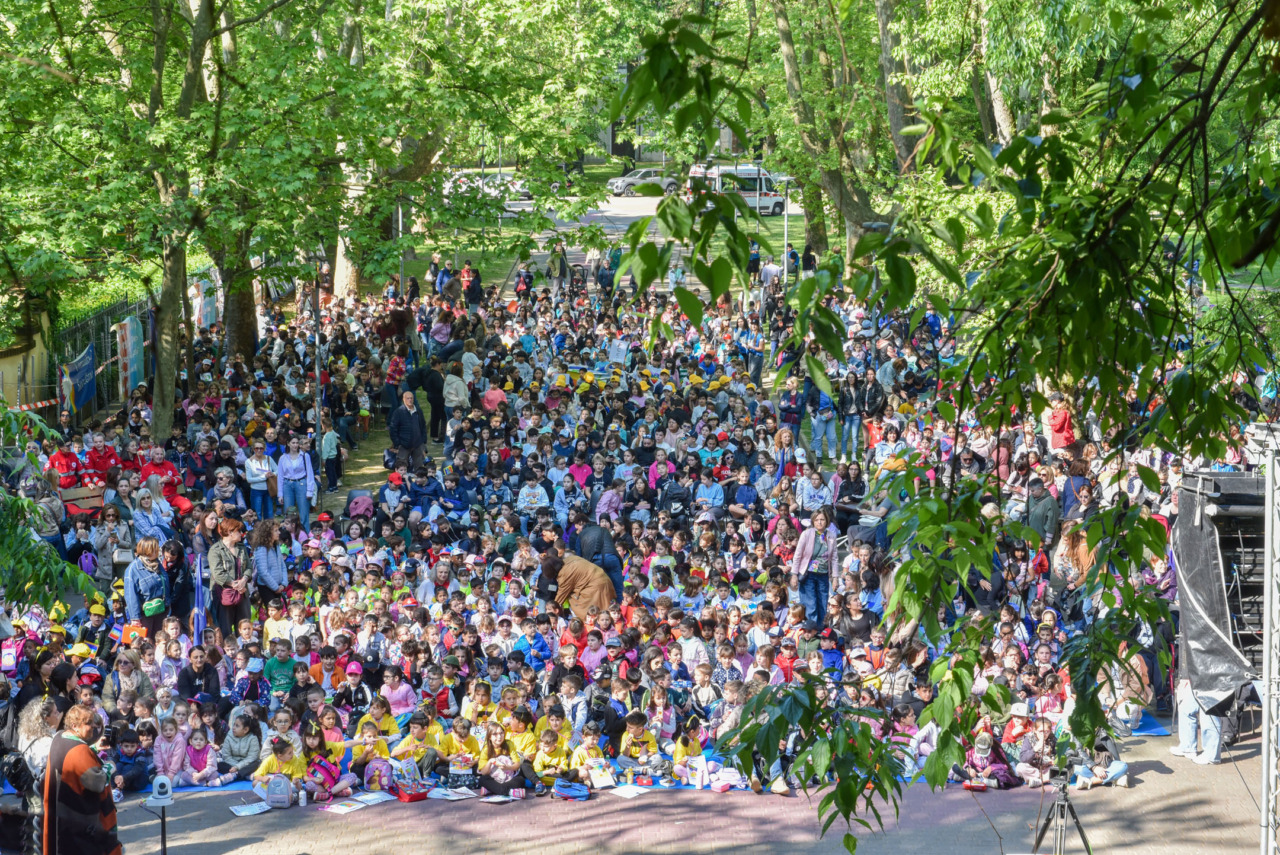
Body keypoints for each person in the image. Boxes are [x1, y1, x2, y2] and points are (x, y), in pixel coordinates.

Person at [41, 705, 120, 855]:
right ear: (74, 726)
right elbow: (96, 782)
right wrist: (110, 766)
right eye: (88, 723)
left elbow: (76, 765)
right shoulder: (79, 750)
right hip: (79, 820)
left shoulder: (59, 737)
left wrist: (94, 748)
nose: (93, 728)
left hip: (60, 814)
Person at [208, 518, 253, 637]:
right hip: (224, 594)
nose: (242, 534)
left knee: (245, 627)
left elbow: (249, 567)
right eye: (239, 531)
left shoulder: (242, 548)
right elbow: (218, 573)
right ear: (230, 532)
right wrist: (234, 585)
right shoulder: (215, 550)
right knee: (225, 629)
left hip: (242, 593)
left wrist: (244, 580)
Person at [122, 537, 170, 640]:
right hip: (145, 615)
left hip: (161, 610)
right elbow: (131, 596)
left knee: (160, 641)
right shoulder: (132, 569)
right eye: (155, 549)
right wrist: (135, 618)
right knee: (145, 643)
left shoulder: (157, 563)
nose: (158, 551)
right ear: (146, 550)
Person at [389, 390, 429, 470]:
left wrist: (423, 440)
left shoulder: (418, 410)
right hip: (404, 445)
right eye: (408, 398)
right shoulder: (398, 412)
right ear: (403, 399)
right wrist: (398, 443)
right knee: (401, 467)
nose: (410, 400)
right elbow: (393, 429)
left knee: (420, 467)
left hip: (418, 444)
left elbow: (423, 425)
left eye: (411, 398)